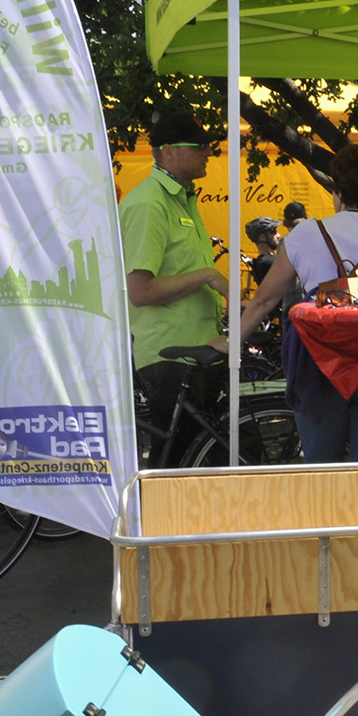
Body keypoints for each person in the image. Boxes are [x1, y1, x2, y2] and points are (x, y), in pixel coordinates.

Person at [238, 145, 358, 463]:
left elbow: (264, 300)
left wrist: (231, 342)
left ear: (337, 189)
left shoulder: (307, 234)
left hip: (318, 365)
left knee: (322, 475)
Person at [119, 112, 227, 466]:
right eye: (198, 146)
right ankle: (153, 522)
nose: (208, 152)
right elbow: (140, 291)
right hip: (169, 357)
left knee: (197, 462)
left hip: (196, 351)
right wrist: (206, 276)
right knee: (173, 467)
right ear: (167, 151)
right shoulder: (149, 203)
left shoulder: (182, 197)